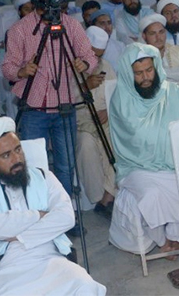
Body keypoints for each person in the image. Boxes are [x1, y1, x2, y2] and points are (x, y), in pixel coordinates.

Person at [0, 118, 106, 296]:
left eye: (18, 149)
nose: (17, 159)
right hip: (3, 268)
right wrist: (38, 215)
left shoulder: (44, 176)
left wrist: (17, 236)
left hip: (50, 258)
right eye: (6, 155)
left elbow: (67, 217)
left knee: (85, 285)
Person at [1, 0, 98, 205]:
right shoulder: (20, 30)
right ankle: (39, 209)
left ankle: (65, 212)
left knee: (66, 165)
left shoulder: (70, 25)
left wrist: (84, 65)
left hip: (65, 104)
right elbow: (7, 68)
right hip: (34, 108)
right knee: (35, 164)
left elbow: (90, 56)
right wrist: (23, 71)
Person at [108, 44, 179, 258]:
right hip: (137, 166)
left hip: (172, 162)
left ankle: (175, 237)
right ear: (129, 74)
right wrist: (161, 139)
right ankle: (163, 240)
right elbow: (134, 140)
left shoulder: (172, 92)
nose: (145, 77)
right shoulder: (121, 100)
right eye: (138, 73)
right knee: (152, 195)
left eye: (149, 70)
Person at [78, 26, 118, 216]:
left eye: (99, 56)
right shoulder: (70, 68)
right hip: (80, 123)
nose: (96, 60)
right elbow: (62, 102)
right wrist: (84, 86)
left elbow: (117, 96)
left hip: (107, 120)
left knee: (120, 142)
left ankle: (109, 196)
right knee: (86, 145)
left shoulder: (107, 67)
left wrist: (109, 112)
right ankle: (98, 197)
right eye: (93, 55)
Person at [141, 13, 179, 83]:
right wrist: (177, 75)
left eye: (161, 32)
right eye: (152, 33)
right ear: (144, 36)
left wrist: (160, 73)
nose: (158, 37)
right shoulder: (140, 57)